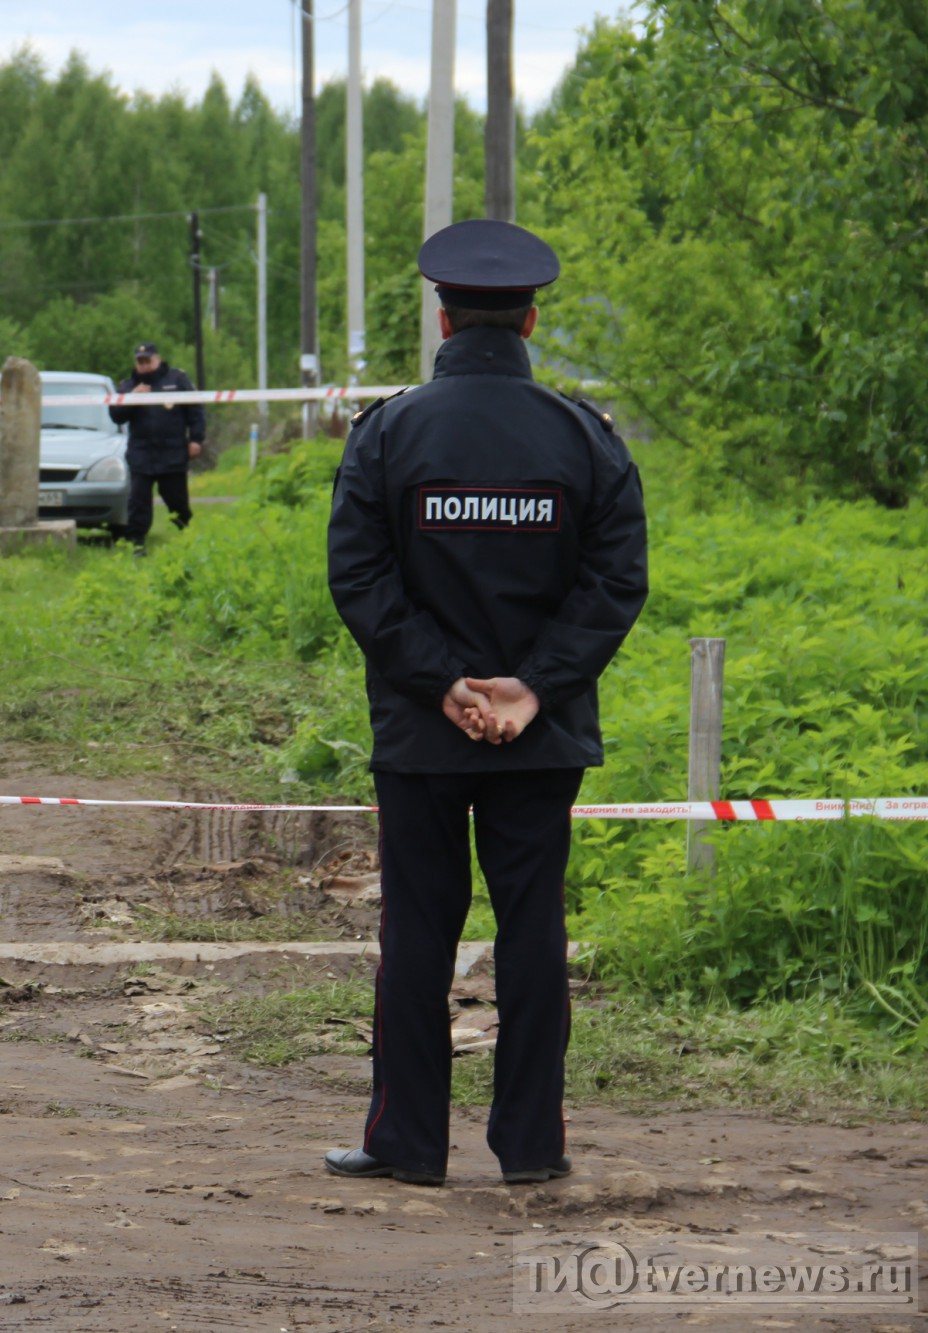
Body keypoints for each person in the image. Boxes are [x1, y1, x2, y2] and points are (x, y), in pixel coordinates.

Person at [322, 219, 649, 1188]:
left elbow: (357, 576)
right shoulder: (582, 440)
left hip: (421, 737)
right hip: (535, 739)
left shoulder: (387, 434)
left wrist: (439, 682)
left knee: (417, 933)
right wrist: (530, 686)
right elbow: (614, 581)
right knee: (532, 931)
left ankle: (407, 1143)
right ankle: (531, 1147)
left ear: (440, 315)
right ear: (531, 320)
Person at [107, 342, 204, 548]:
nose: (144, 365)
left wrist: (196, 439)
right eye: (140, 361)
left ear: (157, 359)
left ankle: (186, 538)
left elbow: (195, 410)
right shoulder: (128, 385)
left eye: (148, 361)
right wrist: (132, 398)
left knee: (177, 502)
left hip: (172, 454)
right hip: (142, 454)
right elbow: (116, 416)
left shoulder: (177, 380)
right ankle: (137, 543)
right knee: (138, 502)